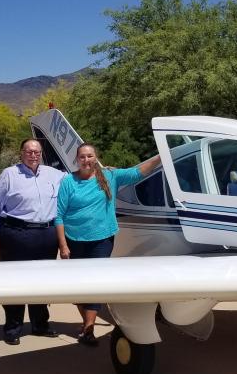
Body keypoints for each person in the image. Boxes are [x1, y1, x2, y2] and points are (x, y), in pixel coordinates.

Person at [55, 143, 160, 346]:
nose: (86, 160)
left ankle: (89, 328)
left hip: (102, 239)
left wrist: (159, 158)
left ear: (96, 157)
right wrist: (63, 245)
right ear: (77, 160)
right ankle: (86, 322)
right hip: (73, 240)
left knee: (95, 282)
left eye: (90, 156)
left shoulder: (110, 177)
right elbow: (59, 215)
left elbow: (136, 173)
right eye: (82, 157)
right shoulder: (69, 181)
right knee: (77, 284)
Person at [0, 138, 66, 345]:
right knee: (14, 282)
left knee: (42, 282)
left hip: (46, 235)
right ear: (21, 153)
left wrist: (104, 170)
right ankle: (13, 328)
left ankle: (40, 325)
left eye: (37, 152)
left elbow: (79, 177)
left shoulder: (54, 174)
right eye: (29, 151)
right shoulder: (9, 174)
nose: (33, 155)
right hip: (16, 233)